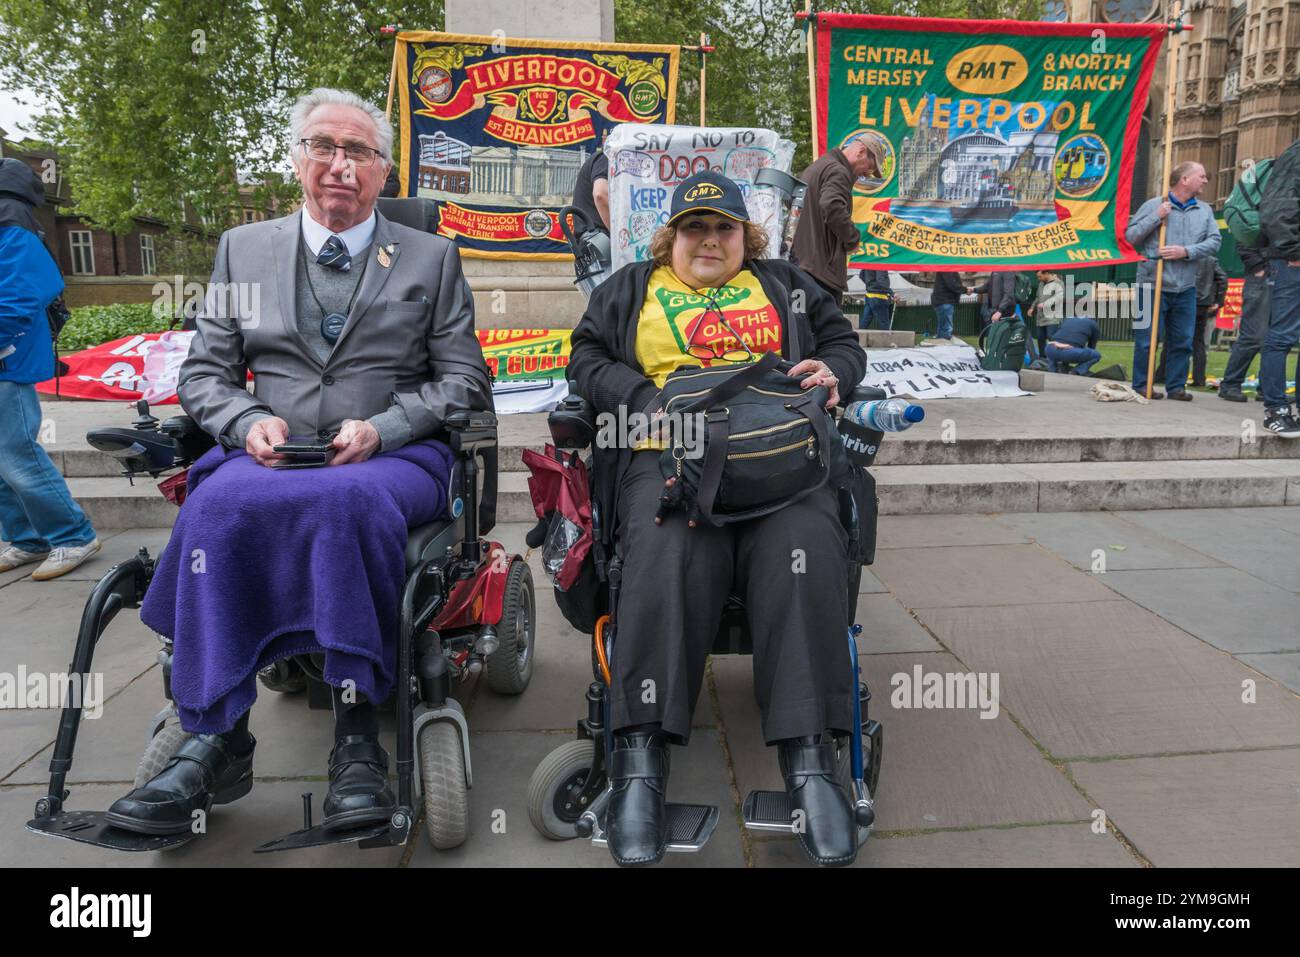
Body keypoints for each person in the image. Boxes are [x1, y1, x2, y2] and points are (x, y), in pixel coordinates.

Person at [104, 88, 493, 836]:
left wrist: (383, 428)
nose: (340, 165)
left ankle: (356, 735)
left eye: (359, 152)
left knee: (346, 504)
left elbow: (463, 379)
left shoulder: (431, 258)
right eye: (324, 146)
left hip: (391, 453)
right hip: (274, 450)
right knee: (215, 506)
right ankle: (219, 731)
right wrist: (246, 420)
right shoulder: (243, 250)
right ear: (297, 160)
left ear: (384, 172)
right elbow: (203, 375)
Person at [567, 170, 867, 868]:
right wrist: (639, 395)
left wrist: (833, 371)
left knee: (803, 544)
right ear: (671, 235)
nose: (709, 239)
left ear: (744, 235)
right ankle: (639, 760)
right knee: (670, 546)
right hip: (669, 457)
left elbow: (844, 344)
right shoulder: (629, 288)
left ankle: (810, 759)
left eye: (723, 227)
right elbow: (585, 357)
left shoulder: (787, 283)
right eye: (695, 227)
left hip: (778, 454)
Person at [0, 157, 101, 581]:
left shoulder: (10, 218)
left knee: (16, 452)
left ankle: (73, 535)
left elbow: (26, 292)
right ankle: (27, 538)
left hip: (8, 358)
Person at [1125, 160, 1221, 400]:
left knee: (1183, 341)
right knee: (1147, 340)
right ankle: (1142, 385)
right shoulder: (1154, 205)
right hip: (1151, 285)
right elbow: (1130, 237)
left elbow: (1215, 242)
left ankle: (1176, 387)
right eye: (1201, 176)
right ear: (1184, 180)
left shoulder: (1205, 211)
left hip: (1186, 287)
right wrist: (1156, 218)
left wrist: (1186, 251)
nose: (1206, 180)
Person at [791, 136, 881, 306]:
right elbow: (831, 205)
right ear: (861, 151)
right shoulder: (838, 170)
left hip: (801, 267)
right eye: (869, 168)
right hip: (821, 274)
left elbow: (793, 204)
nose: (866, 175)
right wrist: (852, 238)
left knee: (803, 328)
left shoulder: (818, 166)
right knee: (827, 331)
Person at [1255, 137, 1300, 436]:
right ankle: (1275, 409)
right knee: (1282, 335)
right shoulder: (1296, 156)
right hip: (1293, 262)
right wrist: (1293, 252)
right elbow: (1277, 208)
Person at [1156, 254, 1227, 388]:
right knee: (1198, 341)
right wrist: (1218, 300)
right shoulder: (1211, 260)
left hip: (1183, 298)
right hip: (1202, 302)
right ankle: (1199, 378)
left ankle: (1162, 374)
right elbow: (1222, 278)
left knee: (1171, 338)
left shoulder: (1183, 256)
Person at [1218, 241, 1272, 402]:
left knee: (1278, 339)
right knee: (1253, 336)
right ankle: (1230, 384)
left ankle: (1268, 388)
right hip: (1264, 274)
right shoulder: (1259, 216)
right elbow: (1244, 236)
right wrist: (1259, 268)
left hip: (1286, 275)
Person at [571, 139, 610, 233]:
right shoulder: (607, 158)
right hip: (599, 238)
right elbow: (600, 195)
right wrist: (618, 235)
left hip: (594, 236)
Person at [930, 270, 964, 340]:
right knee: (946, 328)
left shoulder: (947, 268)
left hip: (943, 300)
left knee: (943, 326)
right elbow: (952, 284)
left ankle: (941, 344)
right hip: (945, 300)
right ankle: (944, 346)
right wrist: (965, 290)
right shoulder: (947, 268)